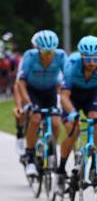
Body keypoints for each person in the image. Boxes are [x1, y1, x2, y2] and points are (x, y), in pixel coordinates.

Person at [56, 35, 97, 191]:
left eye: (95, 59)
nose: (92, 63)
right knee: (74, 130)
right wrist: (72, 113)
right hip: (71, 96)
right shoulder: (71, 63)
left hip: (91, 94)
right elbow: (64, 96)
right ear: (81, 56)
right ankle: (61, 168)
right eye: (88, 59)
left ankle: (94, 164)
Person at [14, 30, 66, 176]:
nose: (48, 55)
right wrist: (28, 103)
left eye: (51, 52)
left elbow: (67, 81)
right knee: (35, 118)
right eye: (44, 52)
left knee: (56, 122)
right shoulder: (30, 56)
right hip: (32, 91)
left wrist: (64, 100)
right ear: (38, 50)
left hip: (50, 91)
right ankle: (30, 157)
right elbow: (20, 83)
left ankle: (51, 149)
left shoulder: (61, 56)